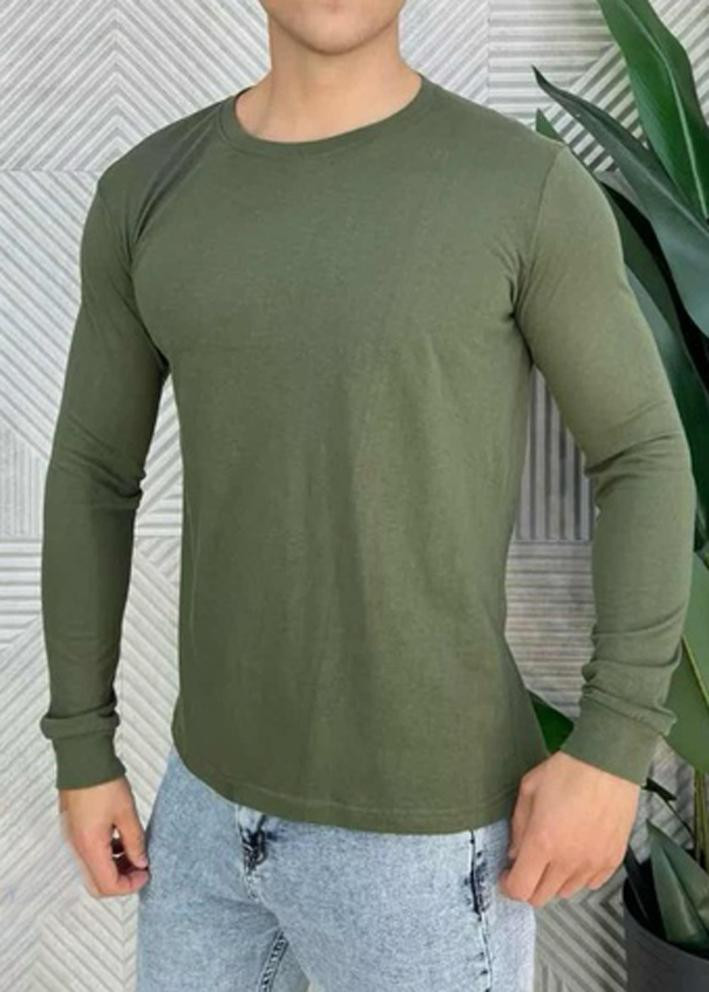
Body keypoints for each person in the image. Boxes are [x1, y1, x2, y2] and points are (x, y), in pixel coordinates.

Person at [39, 1, 696, 990]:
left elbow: (641, 452)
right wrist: (83, 747)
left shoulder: (519, 187)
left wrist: (610, 746)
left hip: (426, 844)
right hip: (202, 814)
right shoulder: (147, 191)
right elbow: (94, 472)